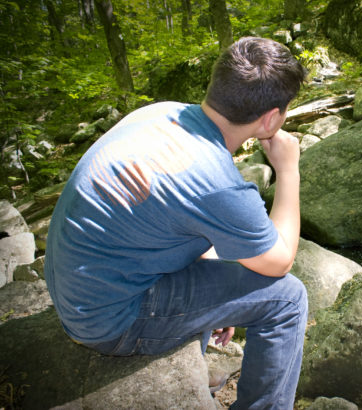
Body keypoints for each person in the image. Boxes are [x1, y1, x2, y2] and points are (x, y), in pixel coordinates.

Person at [44, 36, 308, 409]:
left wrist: (221, 304)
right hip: (107, 319)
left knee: (211, 253)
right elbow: (279, 261)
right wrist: (288, 168)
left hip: (78, 288)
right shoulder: (216, 181)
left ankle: (198, 377)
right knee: (288, 298)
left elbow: (177, 219)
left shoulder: (161, 113)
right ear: (270, 119)